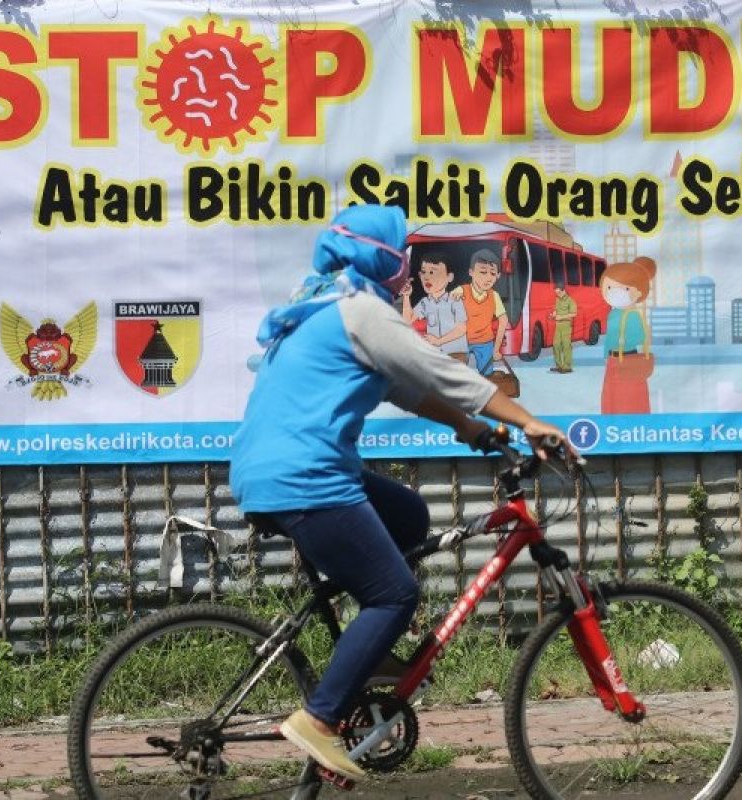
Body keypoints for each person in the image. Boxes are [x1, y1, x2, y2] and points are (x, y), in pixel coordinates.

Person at [229, 204, 569, 782]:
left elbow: (403, 389)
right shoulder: (362, 313)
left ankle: (365, 656)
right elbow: (441, 371)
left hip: (272, 471)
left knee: (409, 515)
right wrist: (526, 420)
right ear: (383, 259)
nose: (407, 273)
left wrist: (470, 428)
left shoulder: (321, 306)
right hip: (307, 478)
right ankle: (320, 717)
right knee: (395, 595)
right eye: (402, 260)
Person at [599, 256, 656, 414]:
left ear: (639, 292)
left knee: (631, 397)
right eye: (609, 287)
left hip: (628, 359)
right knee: (612, 397)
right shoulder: (613, 314)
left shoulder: (633, 315)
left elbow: (641, 337)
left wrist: (624, 340)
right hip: (613, 359)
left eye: (625, 288)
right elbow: (609, 337)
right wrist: (606, 355)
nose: (614, 292)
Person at [400, 252, 468, 360]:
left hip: (456, 353)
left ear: (449, 277)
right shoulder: (425, 303)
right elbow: (407, 321)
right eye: (424, 272)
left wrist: (438, 341)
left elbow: (462, 329)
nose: (426, 277)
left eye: (432, 272)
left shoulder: (455, 300)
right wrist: (406, 296)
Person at [451, 249, 507, 375]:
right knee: (456, 375)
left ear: (498, 275)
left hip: (485, 342)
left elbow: (503, 321)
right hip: (461, 341)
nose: (488, 278)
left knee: (487, 374)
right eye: (482, 272)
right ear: (471, 272)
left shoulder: (495, 296)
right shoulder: (461, 291)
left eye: (492, 274)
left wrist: (496, 349)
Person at [548, 281, 577, 373]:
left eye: (559, 292)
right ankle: (559, 365)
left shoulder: (570, 301)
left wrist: (561, 317)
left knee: (566, 345)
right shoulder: (557, 299)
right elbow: (557, 310)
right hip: (558, 325)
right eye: (556, 293)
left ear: (563, 290)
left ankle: (567, 366)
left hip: (566, 325)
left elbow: (574, 314)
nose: (557, 294)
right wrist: (553, 314)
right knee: (556, 345)